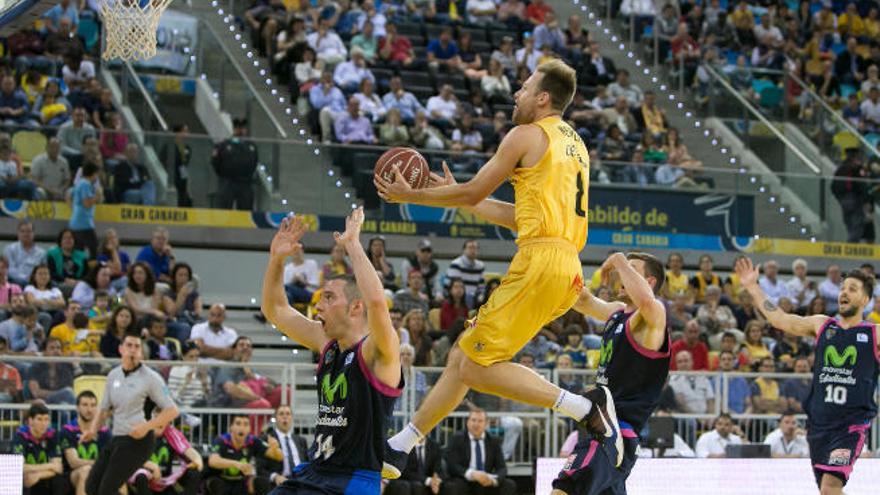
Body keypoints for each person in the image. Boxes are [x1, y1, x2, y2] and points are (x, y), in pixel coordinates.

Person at [376, 60, 598, 479]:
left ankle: (581, 407)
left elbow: (477, 187)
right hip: (566, 264)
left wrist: (415, 195)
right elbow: (520, 216)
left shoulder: (525, 134)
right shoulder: (574, 144)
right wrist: (460, 196)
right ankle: (400, 447)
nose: (518, 93)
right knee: (464, 352)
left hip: (539, 262)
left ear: (543, 98)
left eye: (526, 87)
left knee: (476, 365)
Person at [261, 209, 403, 494]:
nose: (318, 305)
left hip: (353, 479)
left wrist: (352, 245)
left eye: (328, 297)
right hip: (314, 472)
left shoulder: (377, 351)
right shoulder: (326, 342)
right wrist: (276, 260)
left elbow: (376, 301)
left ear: (354, 307)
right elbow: (275, 309)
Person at [736, 257, 879, 494]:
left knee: (829, 487)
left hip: (851, 425)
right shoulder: (822, 324)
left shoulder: (874, 334)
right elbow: (779, 319)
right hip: (819, 425)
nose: (844, 293)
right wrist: (752, 287)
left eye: (852, 289)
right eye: (843, 288)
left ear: (865, 299)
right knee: (828, 490)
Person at [550, 252, 670, 493]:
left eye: (631, 269)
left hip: (616, 432)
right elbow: (582, 300)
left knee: (564, 489)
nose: (620, 274)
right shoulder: (618, 312)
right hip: (603, 427)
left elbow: (646, 302)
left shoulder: (653, 313)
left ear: (649, 282)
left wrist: (618, 259)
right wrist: (556, 260)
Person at [82, 332, 180, 495]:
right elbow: (104, 408)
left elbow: (172, 411)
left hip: (139, 441)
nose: (133, 350)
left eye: (137, 347)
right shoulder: (113, 375)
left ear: (141, 352)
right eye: (129, 345)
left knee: (106, 490)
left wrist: (146, 427)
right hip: (118, 438)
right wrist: (93, 430)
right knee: (91, 487)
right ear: (121, 349)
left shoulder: (151, 378)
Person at [444, 408, 515, 495]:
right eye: (473, 420)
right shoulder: (457, 439)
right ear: (468, 422)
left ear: (486, 424)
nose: (476, 424)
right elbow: (451, 464)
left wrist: (493, 480)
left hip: (486, 481)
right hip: (465, 479)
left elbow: (502, 468)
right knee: (454, 486)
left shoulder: (493, 441)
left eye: (480, 421)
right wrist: (472, 474)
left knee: (509, 484)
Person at [128, 416, 203, 495]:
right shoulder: (139, 432)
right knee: (141, 476)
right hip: (144, 480)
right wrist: (153, 467)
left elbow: (188, 450)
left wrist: (197, 459)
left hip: (165, 481)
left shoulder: (171, 432)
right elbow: (128, 456)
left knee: (194, 473)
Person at [61, 391, 110, 495]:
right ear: (78, 407)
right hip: (73, 475)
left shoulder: (104, 432)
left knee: (118, 475)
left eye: (93, 405)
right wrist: (98, 463)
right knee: (86, 471)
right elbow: (73, 462)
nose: (89, 409)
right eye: (85, 405)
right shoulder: (68, 430)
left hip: (98, 471)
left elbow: (110, 459)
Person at [14, 402, 67, 495]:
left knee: (59, 480)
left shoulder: (52, 435)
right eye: (39, 419)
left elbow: (58, 467)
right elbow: (19, 467)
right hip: (27, 479)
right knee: (24, 479)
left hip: (41, 477)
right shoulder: (21, 435)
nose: (43, 424)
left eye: (46, 419)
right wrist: (50, 466)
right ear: (30, 421)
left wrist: (38, 475)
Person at [212, 118, 259, 210]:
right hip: (228, 181)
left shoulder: (251, 146)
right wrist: (224, 174)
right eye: (238, 128)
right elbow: (216, 163)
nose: (241, 131)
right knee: (224, 208)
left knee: (245, 208)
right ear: (234, 129)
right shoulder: (224, 145)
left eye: (242, 128)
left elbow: (254, 162)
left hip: (245, 182)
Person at [260, 405, 308, 487]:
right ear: (275, 418)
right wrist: (275, 476)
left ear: (292, 418)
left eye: (288, 414)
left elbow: (307, 463)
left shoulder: (301, 440)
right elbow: (260, 467)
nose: (285, 417)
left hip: (301, 481)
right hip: (281, 482)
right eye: (281, 414)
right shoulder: (267, 439)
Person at [69, 161, 102, 258]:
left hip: (77, 222)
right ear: (94, 173)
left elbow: (69, 196)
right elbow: (86, 203)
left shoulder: (79, 183)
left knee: (78, 251)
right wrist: (97, 196)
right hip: (84, 223)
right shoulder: (85, 185)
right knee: (95, 249)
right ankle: (94, 269)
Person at [4, 220, 45, 286]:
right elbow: (9, 270)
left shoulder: (41, 253)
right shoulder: (10, 249)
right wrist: (26, 278)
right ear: (18, 233)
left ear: (33, 233)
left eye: (29, 231)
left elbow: (44, 271)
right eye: (22, 231)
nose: (26, 234)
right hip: (15, 282)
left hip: (36, 283)